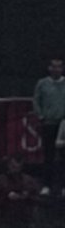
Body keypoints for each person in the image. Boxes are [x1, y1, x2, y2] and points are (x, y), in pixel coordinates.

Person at [32, 57, 65, 195]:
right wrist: (40, 116)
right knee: (48, 156)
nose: (56, 69)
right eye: (54, 66)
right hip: (49, 123)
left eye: (59, 66)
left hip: (64, 124)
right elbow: (36, 100)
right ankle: (47, 185)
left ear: (62, 68)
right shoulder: (42, 83)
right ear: (49, 68)